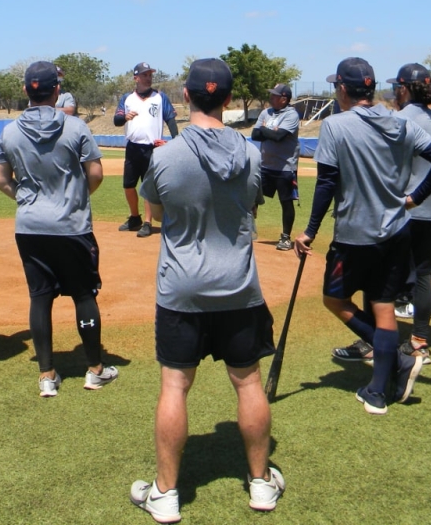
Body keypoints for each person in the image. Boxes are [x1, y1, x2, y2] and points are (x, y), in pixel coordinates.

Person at [130, 58, 283, 522]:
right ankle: (259, 484)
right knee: (249, 382)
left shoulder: (166, 155)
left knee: (175, 385)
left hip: (182, 290)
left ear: (185, 96)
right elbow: (254, 202)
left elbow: (154, 206)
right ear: (230, 100)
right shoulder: (252, 154)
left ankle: (166, 493)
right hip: (239, 288)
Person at [293, 58, 431, 415]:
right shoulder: (399, 122)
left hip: (354, 236)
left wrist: (309, 231)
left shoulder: (335, 126)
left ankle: (395, 358)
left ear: (341, 89)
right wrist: (414, 197)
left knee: (335, 300)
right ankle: (378, 391)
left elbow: (326, 183)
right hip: (396, 231)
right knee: (383, 307)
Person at [0, 61, 118, 398]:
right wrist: (76, 198)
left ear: (25, 91)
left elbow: (0, 179)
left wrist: (24, 197)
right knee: (83, 294)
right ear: (57, 90)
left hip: (30, 226)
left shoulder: (8, 132)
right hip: (72, 226)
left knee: (40, 297)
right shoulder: (76, 127)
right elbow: (96, 174)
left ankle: (47, 375)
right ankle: (95, 370)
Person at [387, 64, 431, 365]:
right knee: (423, 276)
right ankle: (420, 342)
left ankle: (374, 340)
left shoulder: (398, 120)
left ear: (404, 89)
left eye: (396, 87)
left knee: (384, 276)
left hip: (403, 208)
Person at [114, 62, 179, 238]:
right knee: (128, 185)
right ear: (136, 78)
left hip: (152, 148)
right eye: (144, 75)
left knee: (148, 187)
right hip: (133, 147)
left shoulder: (160, 97)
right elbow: (117, 120)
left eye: (150, 75)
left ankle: (148, 222)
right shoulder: (127, 98)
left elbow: (171, 120)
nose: (148, 78)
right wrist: (125, 117)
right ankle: (135, 218)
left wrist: (175, 142)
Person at [251, 84, 300, 251]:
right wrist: (268, 131)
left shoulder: (291, 115)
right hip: (265, 165)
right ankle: (247, 228)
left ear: (284, 99)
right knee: (250, 194)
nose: (271, 98)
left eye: (274, 96)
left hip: (285, 167)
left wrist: (264, 129)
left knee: (286, 202)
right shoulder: (266, 112)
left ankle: (286, 237)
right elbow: (254, 134)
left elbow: (279, 137)